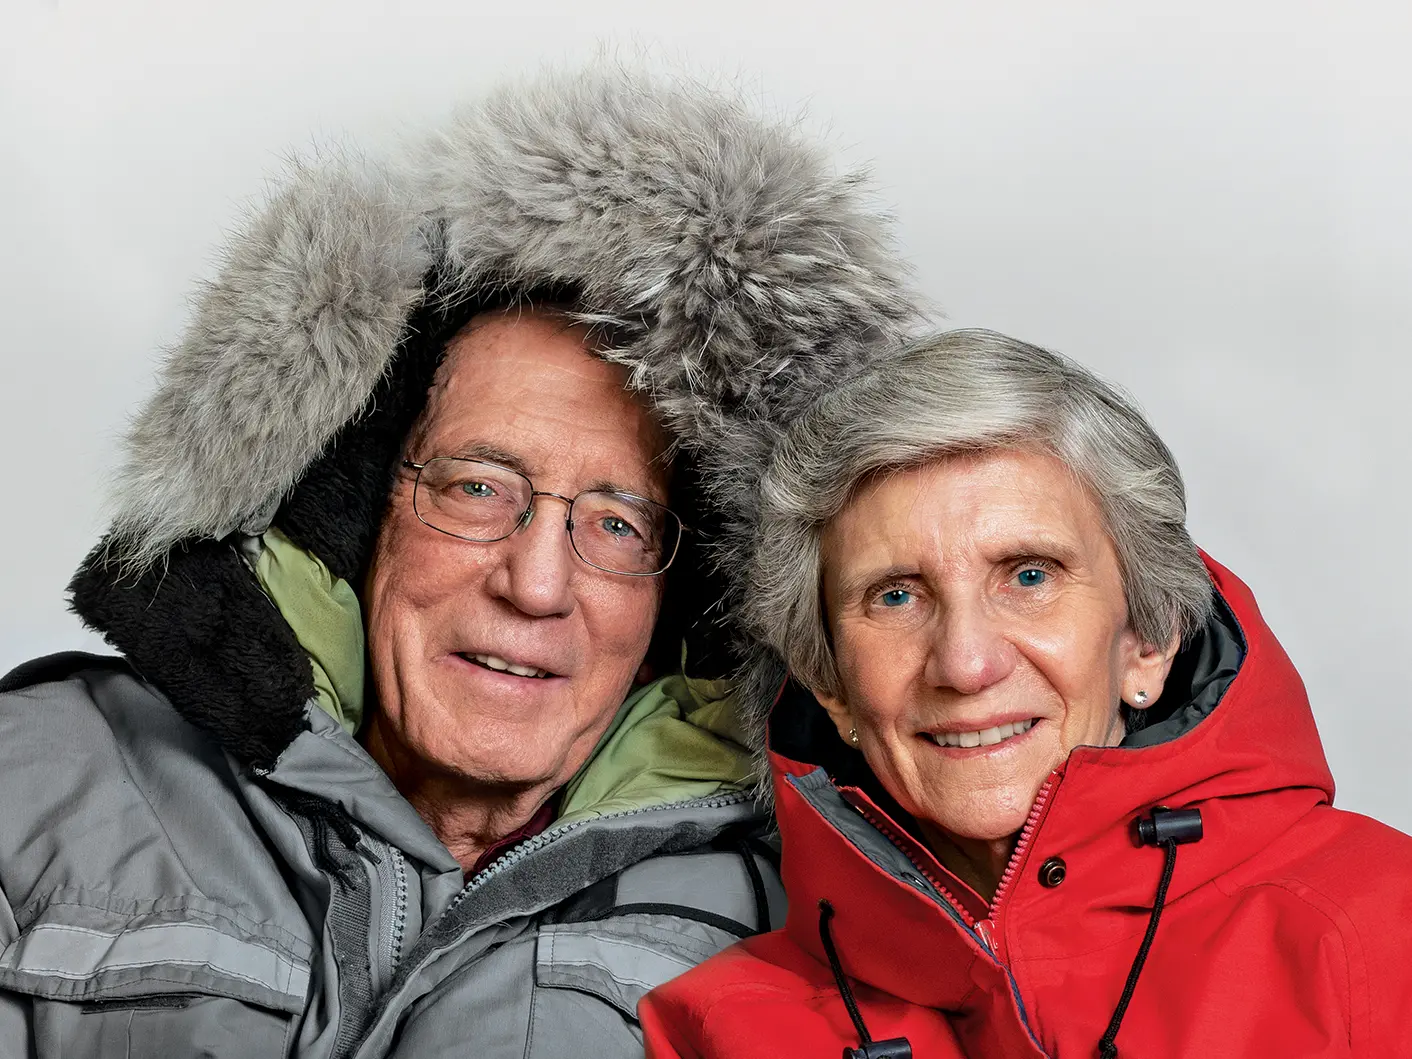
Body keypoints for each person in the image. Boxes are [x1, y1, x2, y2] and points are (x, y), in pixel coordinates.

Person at [0, 66, 918, 1058]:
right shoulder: (42, 774)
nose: (534, 584)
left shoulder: (814, 924)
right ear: (355, 517)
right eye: (476, 488)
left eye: (617, 524)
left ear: (684, 609)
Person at [641, 329, 1412, 1059]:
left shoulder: (1382, 924)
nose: (967, 663)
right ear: (830, 683)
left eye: (1029, 575)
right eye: (896, 596)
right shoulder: (718, 1029)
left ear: (1147, 639)